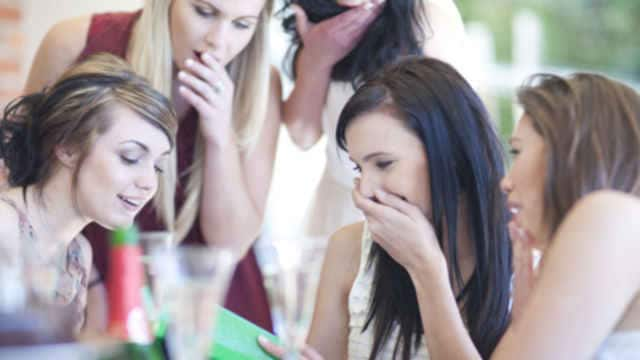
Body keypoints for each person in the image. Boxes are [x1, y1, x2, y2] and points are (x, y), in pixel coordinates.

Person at [24, 0, 282, 330]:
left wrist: (220, 136)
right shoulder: (74, 43)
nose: (219, 40)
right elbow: (25, 177)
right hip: (90, 286)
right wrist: (85, 274)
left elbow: (230, 244)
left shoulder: (260, 83)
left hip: (208, 304)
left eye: (242, 24)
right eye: (204, 12)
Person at [260, 56, 512, 359]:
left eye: (384, 163)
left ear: (451, 154)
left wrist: (425, 267)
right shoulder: (348, 250)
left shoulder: (525, 265)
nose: (364, 190)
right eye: (359, 169)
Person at [0, 53, 177, 334]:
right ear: (68, 146)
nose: (148, 183)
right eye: (130, 157)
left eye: (157, 167)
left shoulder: (78, 255)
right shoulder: (4, 228)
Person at [280, 0, 467, 244]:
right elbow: (302, 135)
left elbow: (455, 132)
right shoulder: (313, 11)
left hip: (408, 209)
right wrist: (316, 58)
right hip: (338, 206)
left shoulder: (428, 11)